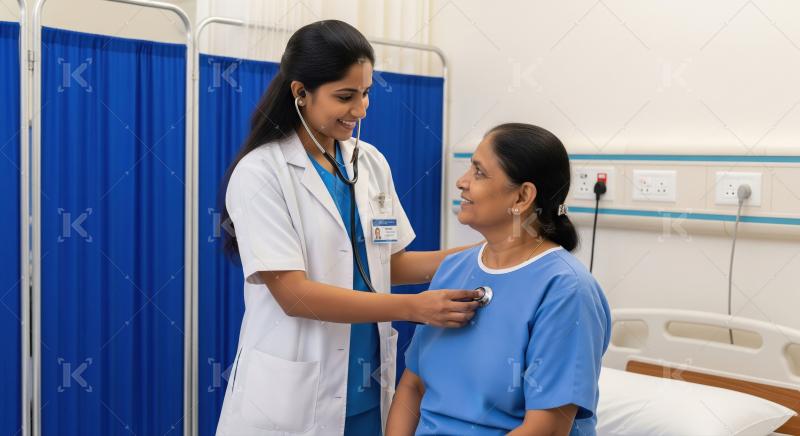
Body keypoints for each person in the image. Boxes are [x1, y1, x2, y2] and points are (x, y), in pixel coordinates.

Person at [215, 20, 483, 436]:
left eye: (366, 93)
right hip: (292, 400)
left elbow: (390, 265)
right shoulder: (261, 173)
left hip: (367, 390)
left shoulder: (369, 161)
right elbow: (294, 295)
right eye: (345, 97)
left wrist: (492, 255)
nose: (360, 110)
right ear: (300, 93)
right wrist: (414, 308)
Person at [386, 123, 612, 436]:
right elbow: (412, 386)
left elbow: (545, 430)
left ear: (522, 197)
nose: (461, 182)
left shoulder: (566, 290)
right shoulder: (454, 269)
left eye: (479, 172)